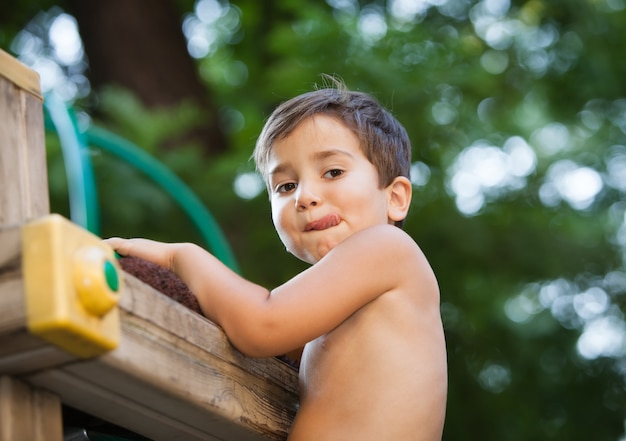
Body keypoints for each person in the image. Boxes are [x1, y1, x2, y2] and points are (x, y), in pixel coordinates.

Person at [105, 78, 447, 441]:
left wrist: (180, 257)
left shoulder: (386, 247)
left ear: (395, 197)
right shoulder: (347, 305)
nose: (306, 196)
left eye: (333, 171)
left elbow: (262, 326)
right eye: (285, 186)